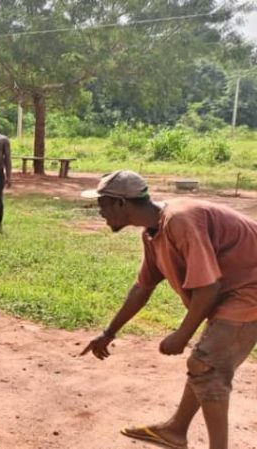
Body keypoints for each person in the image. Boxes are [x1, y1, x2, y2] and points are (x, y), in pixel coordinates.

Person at [79, 170, 257, 449]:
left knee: (205, 366)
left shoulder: (180, 219)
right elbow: (142, 288)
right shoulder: (153, 232)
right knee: (204, 363)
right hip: (235, 291)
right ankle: (175, 430)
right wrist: (108, 332)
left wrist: (182, 336)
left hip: (249, 291)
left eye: (102, 205)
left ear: (121, 204)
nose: (100, 212)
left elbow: (209, 288)